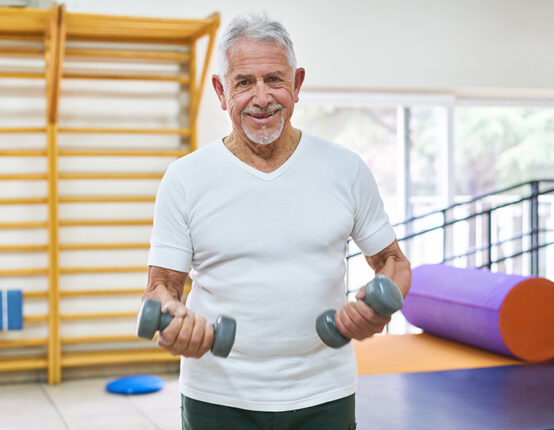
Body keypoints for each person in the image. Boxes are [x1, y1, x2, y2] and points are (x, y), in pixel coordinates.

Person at [142, 11, 411, 430]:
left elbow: (393, 260)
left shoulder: (346, 169)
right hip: (218, 397)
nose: (262, 98)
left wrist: (382, 302)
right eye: (244, 82)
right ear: (220, 90)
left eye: (275, 79)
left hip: (325, 394)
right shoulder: (185, 178)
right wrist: (173, 321)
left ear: (297, 84)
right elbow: (160, 289)